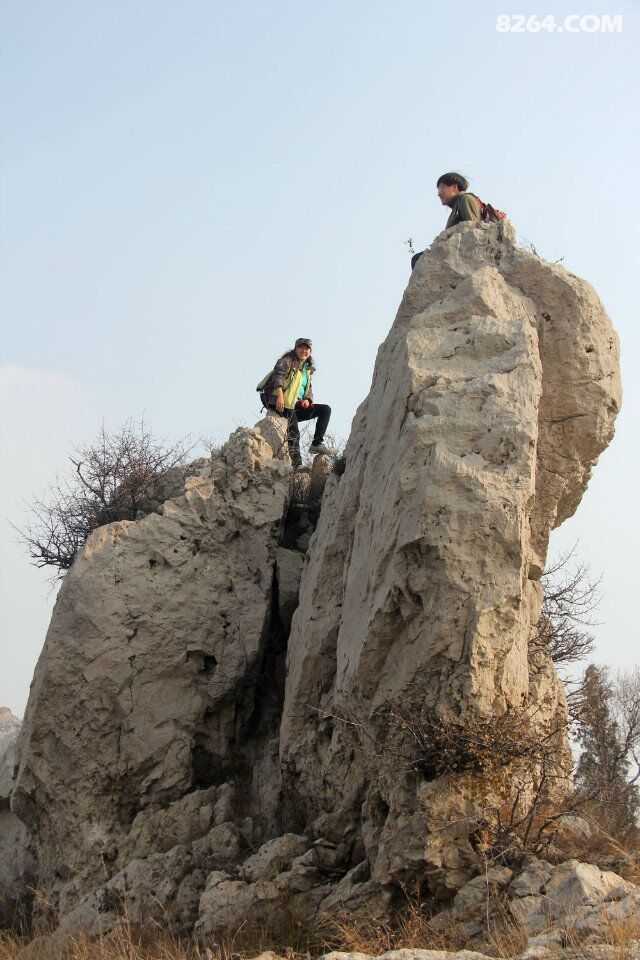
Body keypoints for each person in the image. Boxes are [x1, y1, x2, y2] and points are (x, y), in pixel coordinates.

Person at [259, 338, 332, 468]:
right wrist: (280, 397)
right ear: (296, 349)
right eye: (301, 348)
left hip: (295, 405)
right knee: (294, 432)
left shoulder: (307, 370)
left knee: (325, 409)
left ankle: (316, 444)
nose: (304, 351)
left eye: (307, 349)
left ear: (310, 351)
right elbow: (278, 377)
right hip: (281, 403)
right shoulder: (286, 361)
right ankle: (297, 465)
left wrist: (307, 400)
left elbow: (308, 389)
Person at [411, 171, 481, 270]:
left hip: (460, 253)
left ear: (454, 187)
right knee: (418, 259)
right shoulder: (456, 206)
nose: (439, 194)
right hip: (453, 251)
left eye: (442, 188)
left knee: (418, 259)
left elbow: (473, 229)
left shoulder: (466, 199)